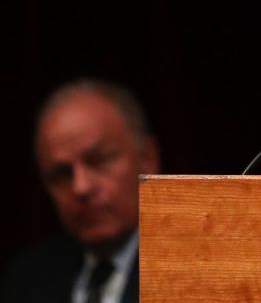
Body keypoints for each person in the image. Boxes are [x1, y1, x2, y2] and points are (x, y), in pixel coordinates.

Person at [2, 79, 159, 303]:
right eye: (62, 174)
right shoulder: (27, 280)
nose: (81, 187)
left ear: (147, 159)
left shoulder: (201, 268)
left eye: (99, 161)